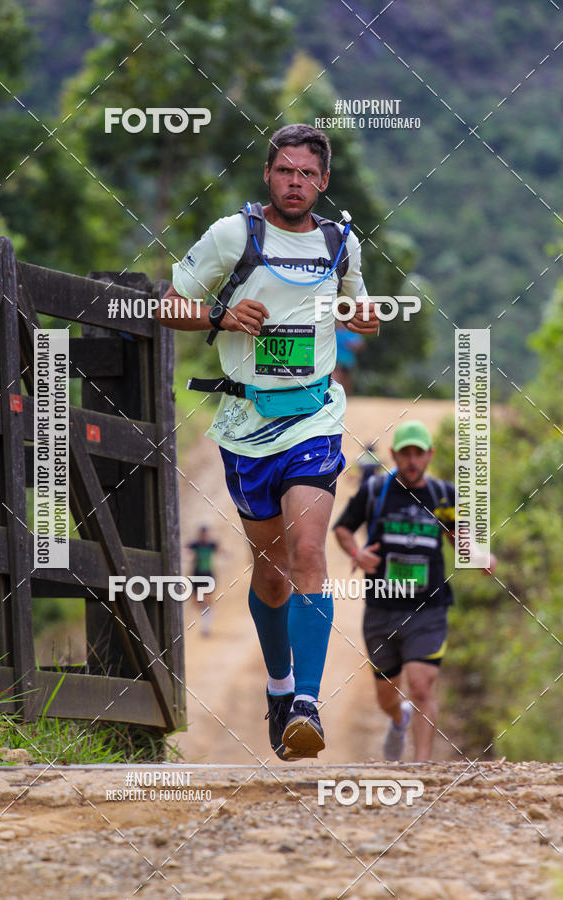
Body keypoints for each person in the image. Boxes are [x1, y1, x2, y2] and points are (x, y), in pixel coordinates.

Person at [157, 123, 379, 759]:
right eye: (286, 171)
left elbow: (353, 307)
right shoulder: (235, 236)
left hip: (312, 417)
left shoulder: (341, 242)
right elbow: (168, 305)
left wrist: (363, 315)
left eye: (308, 174)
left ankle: (306, 702)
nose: (296, 183)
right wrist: (220, 315)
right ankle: (280, 690)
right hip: (243, 425)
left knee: (310, 549)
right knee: (272, 568)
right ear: (268, 174)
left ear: (324, 181)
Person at [333, 420, 496, 761]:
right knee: (386, 695)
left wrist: (480, 557)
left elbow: (459, 538)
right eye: (405, 453)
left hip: (429, 609)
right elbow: (343, 529)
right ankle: (398, 718)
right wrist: (356, 553)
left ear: (429, 456)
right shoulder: (375, 491)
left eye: (418, 453)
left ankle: (422, 767)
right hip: (382, 608)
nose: (411, 460)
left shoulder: (443, 496)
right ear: (393, 454)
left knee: (422, 687)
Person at [188, 525, 218, 637]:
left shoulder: (211, 545)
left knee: (206, 600)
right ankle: (206, 619)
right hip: (196, 575)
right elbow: (185, 551)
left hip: (207, 575)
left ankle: (205, 626)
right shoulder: (195, 545)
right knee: (197, 602)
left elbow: (220, 550)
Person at [332, 322, 363, 395]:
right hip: (335, 361)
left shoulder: (352, 332)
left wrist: (353, 345)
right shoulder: (332, 332)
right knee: (337, 377)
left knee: (346, 380)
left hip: (348, 361)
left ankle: (347, 397)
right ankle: (339, 396)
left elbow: (360, 345)